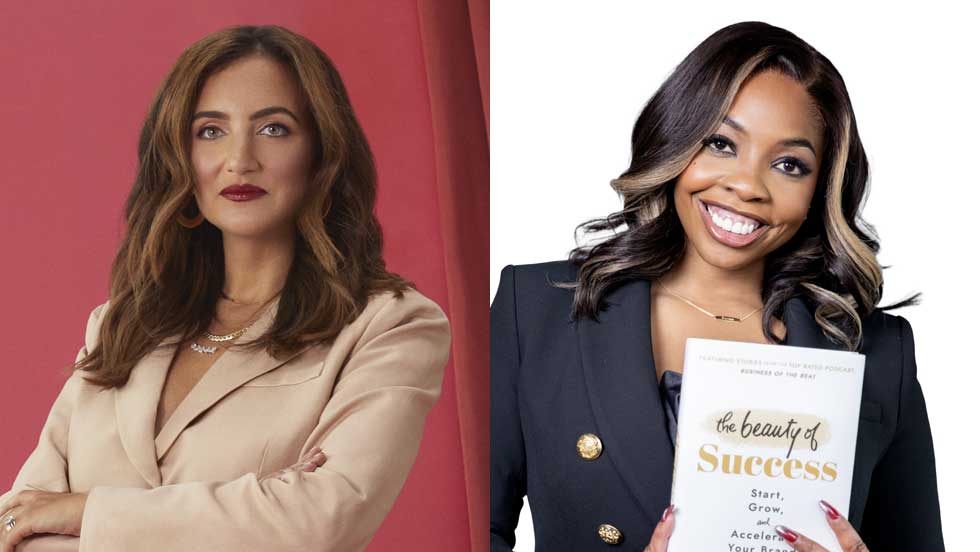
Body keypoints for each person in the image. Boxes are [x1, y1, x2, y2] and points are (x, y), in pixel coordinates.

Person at [491, 21, 943, 552]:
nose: (748, 185)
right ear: (676, 141)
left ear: (820, 190)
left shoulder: (878, 352)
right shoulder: (538, 310)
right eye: (721, 143)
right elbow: (463, 531)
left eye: (788, 164)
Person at [0, 25, 451, 552]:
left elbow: (319, 519)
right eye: (210, 131)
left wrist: (85, 511)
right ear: (179, 157)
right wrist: (254, 509)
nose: (240, 159)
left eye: (274, 129)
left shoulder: (389, 325)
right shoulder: (120, 324)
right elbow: (19, 518)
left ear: (321, 152)